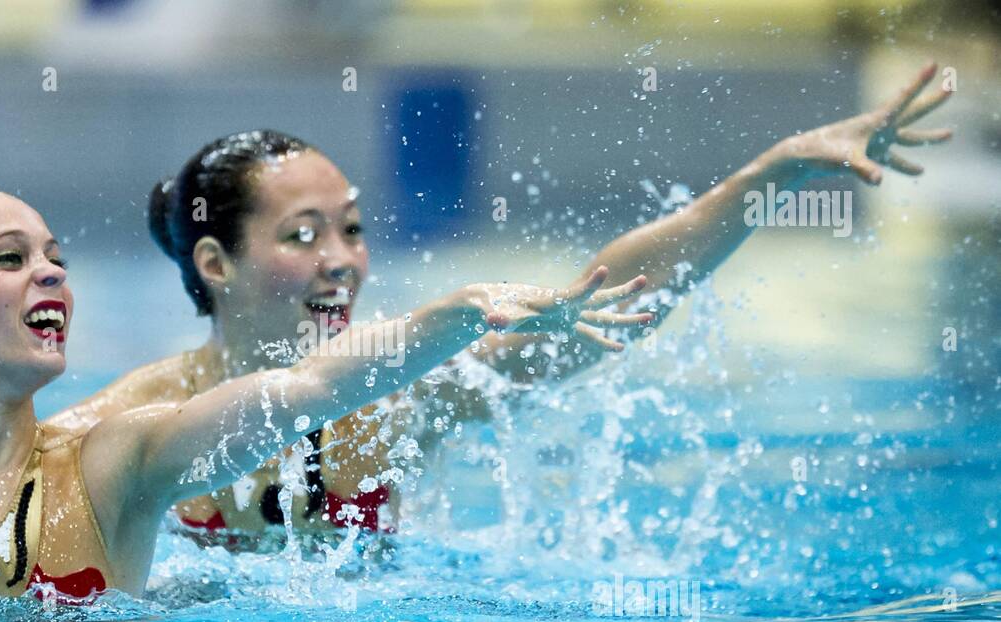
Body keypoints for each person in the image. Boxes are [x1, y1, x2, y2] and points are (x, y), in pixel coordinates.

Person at [47, 63, 953, 537]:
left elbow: (609, 301)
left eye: (353, 229)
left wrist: (772, 173)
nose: (342, 263)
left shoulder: (401, 399)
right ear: (216, 261)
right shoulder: (129, 424)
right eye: (302, 235)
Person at [0, 187, 649, 598]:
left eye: (57, 259)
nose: (52, 277)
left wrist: (456, 315)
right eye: (11, 259)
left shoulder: (120, 461)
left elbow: (304, 385)